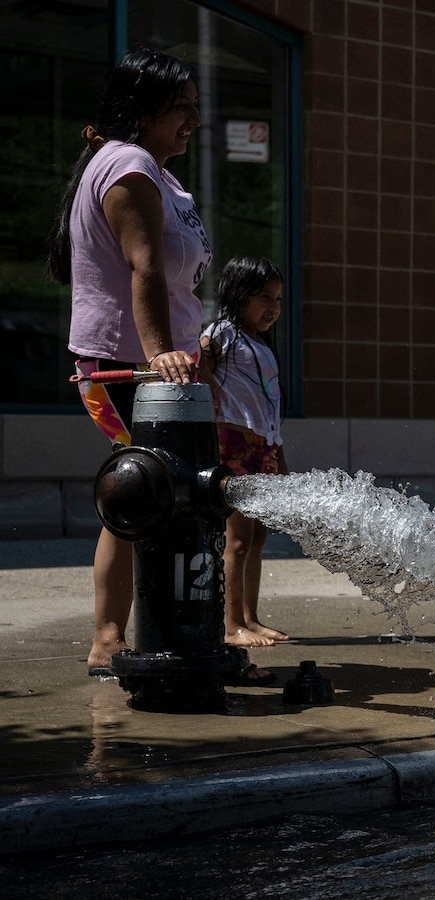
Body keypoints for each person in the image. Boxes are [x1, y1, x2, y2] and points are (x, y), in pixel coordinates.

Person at [46, 48, 225, 678]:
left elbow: (173, 279)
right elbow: (143, 267)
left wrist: (190, 351)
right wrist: (160, 356)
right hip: (127, 365)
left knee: (157, 497)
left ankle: (164, 632)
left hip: (162, 367)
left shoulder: (156, 173)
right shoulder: (126, 167)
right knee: (142, 494)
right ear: (143, 112)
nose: (193, 122)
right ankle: (115, 638)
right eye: (182, 110)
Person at [198, 256, 290, 654]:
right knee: (235, 540)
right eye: (264, 297)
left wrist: (280, 456)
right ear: (237, 294)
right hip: (233, 444)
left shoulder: (260, 344)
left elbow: (270, 407)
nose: (273, 307)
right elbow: (199, 369)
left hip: (264, 448)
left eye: (278, 299)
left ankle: (249, 616)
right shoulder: (221, 334)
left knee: (257, 538)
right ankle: (229, 624)